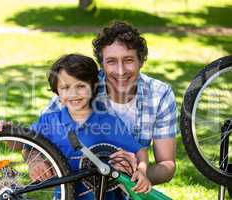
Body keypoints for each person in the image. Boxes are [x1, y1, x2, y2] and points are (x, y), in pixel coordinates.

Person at [0, 54, 151, 199]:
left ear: (92, 86)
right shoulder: (49, 122)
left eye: (80, 86)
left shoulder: (108, 122)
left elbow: (139, 150)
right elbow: (24, 145)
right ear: (57, 92)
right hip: (66, 196)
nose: (73, 94)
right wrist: (7, 133)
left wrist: (141, 171)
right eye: (66, 88)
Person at [43, 21, 177, 186]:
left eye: (128, 60)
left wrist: (133, 173)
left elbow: (167, 165)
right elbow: (34, 139)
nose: (120, 71)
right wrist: (33, 161)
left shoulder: (160, 94)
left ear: (141, 61)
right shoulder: (80, 89)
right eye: (111, 61)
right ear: (102, 64)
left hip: (127, 191)